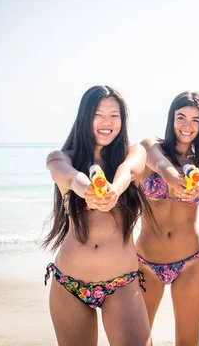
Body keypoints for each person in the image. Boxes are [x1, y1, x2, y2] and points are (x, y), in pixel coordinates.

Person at [43, 85, 153, 346]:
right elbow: (70, 177)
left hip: (122, 283)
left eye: (114, 115)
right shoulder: (60, 158)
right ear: (85, 117)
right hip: (70, 284)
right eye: (98, 114)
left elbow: (129, 170)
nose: (107, 122)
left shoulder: (133, 153)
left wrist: (114, 190)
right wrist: (87, 191)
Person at [137, 91, 199, 345]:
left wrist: (198, 185)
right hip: (145, 263)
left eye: (195, 120)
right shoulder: (149, 147)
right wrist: (174, 178)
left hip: (191, 264)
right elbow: (160, 164)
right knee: (136, 340)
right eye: (181, 117)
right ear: (171, 119)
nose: (187, 125)